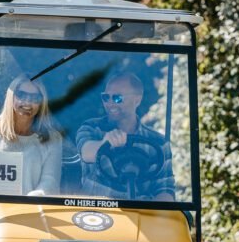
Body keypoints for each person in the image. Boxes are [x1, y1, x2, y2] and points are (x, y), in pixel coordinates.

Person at [0, 75, 62, 204]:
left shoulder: (52, 139)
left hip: (32, 211)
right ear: (11, 97)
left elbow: (50, 182)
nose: (27, 102)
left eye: (35, 98)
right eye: (21, 95)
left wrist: (28, 202)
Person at [75, 72, 175, 200]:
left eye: (117, 98)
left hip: (139, 213)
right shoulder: (92, 128)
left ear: (137, 100)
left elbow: (164, 190)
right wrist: (104, 143)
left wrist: (160, 216)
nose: (110, 103)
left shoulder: (159, 142)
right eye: (106, 97)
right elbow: (86, 152)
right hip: (95, 211)